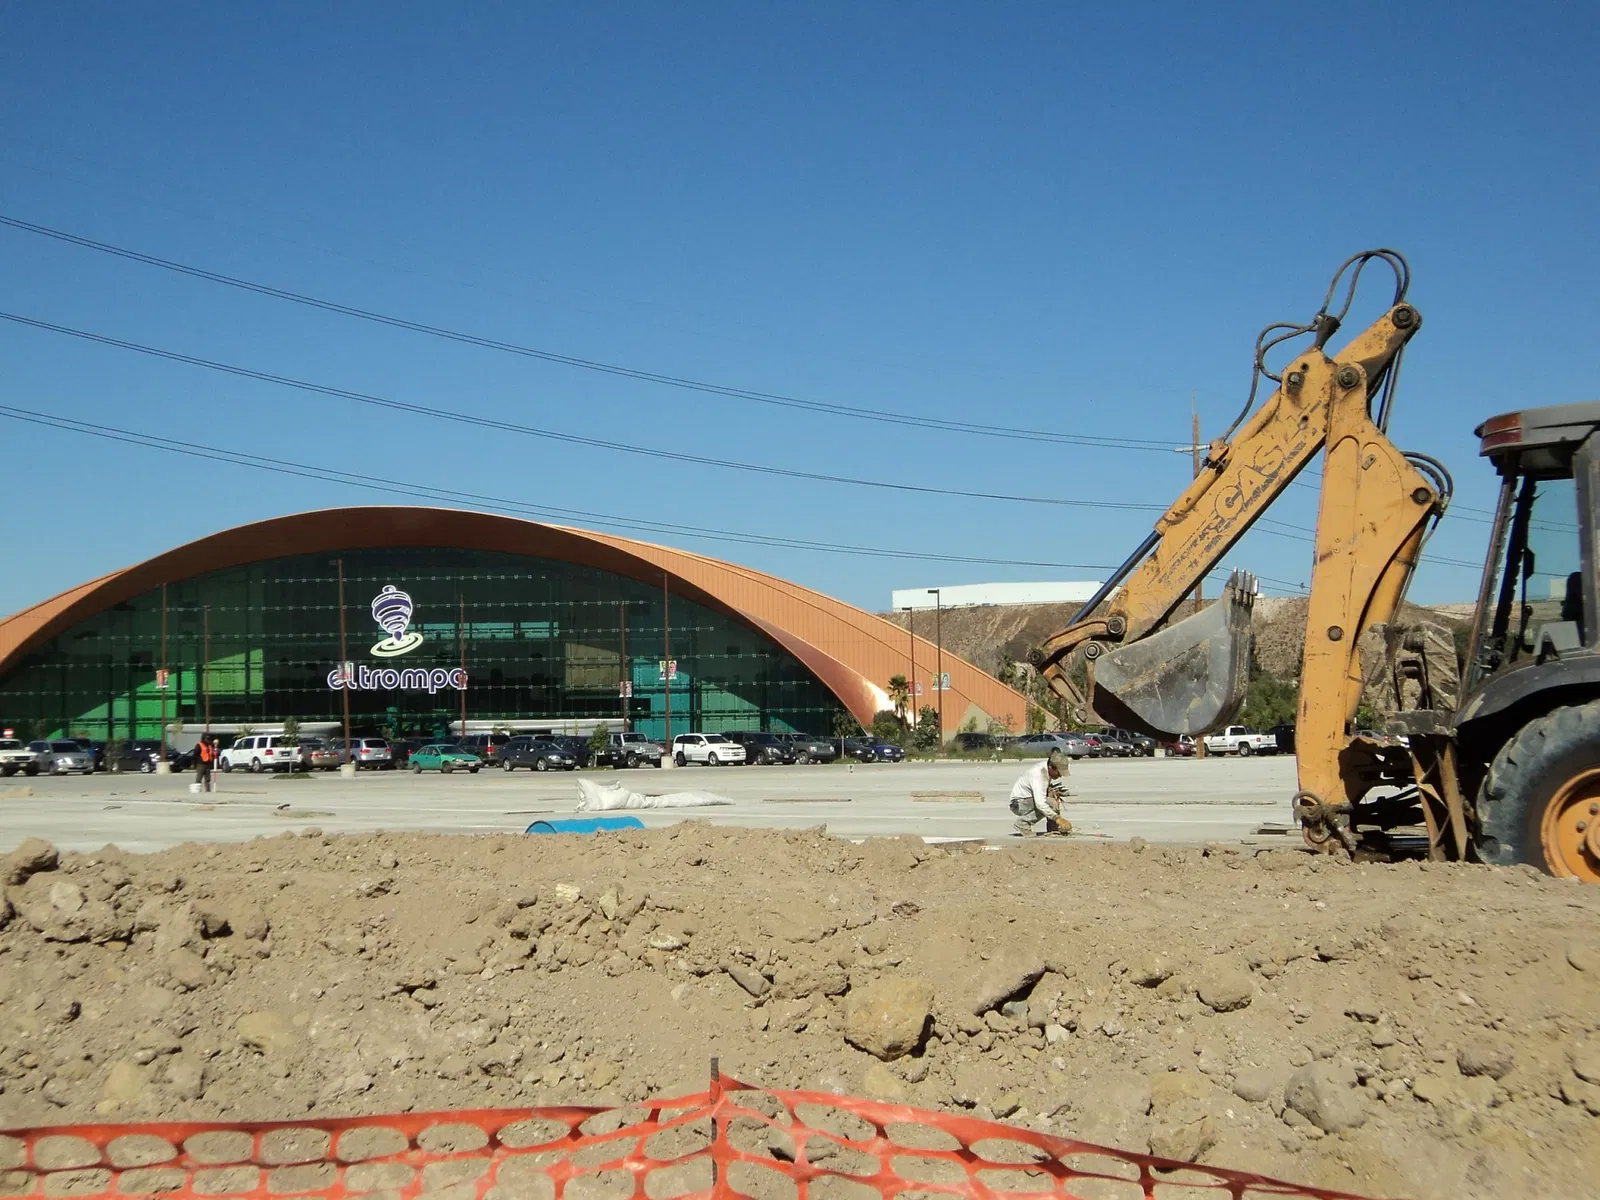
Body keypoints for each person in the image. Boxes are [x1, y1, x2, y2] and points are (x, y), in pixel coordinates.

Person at [1010, 747, 1072, 837]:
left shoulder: (1045, 769)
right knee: (1051, 803)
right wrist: (1057, 818)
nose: (1060, 776)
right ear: (1051, 767)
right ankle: (1022, 824)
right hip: (1018, 804)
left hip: (1027, 800)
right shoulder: (1039, 775)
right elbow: (1040, 803)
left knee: (1052, 800)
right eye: (1059, 773)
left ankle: (1053, 829)